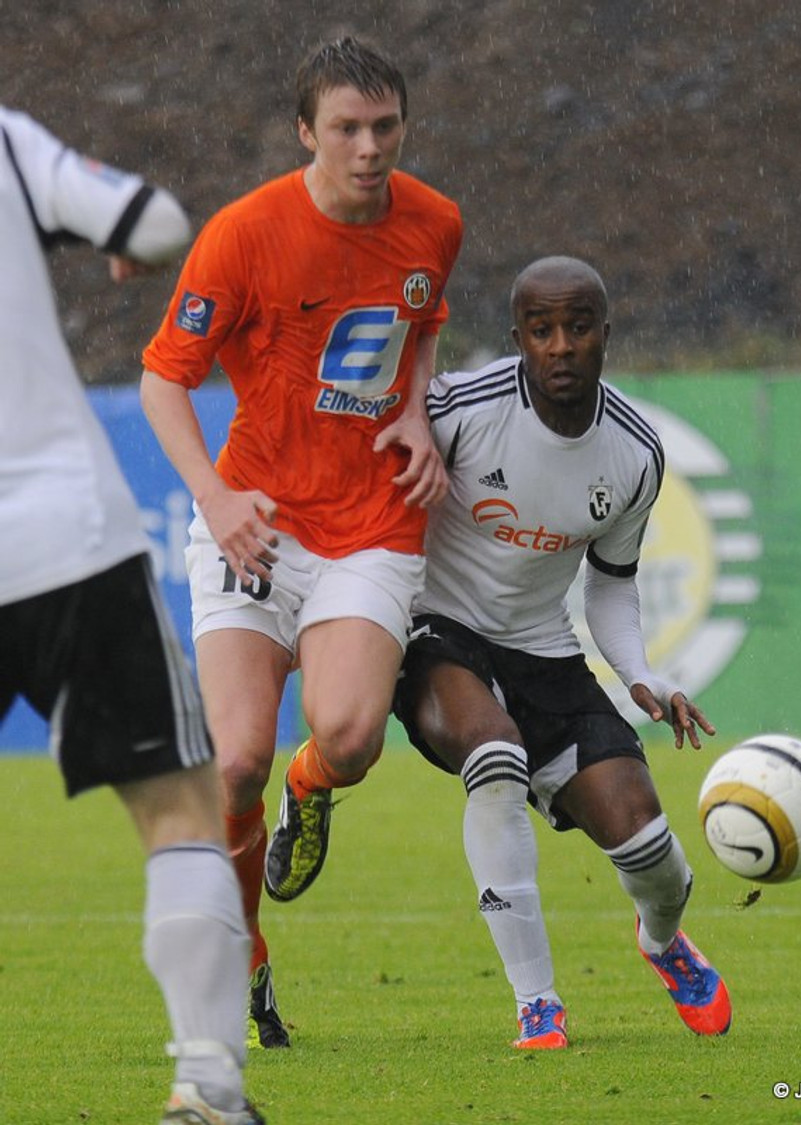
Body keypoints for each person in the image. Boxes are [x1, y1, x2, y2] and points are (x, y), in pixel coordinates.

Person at [140, 35, 463, 1048]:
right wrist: (215, 496)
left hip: (372, 522)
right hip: (258, 526)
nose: (369, 148)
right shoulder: (245, 234)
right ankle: (247, 954)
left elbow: (424, 321)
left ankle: (310, 787)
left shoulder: (436, 221)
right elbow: (163, 379)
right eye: (346, 129)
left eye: (385, 127)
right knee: (236, 760)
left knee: (352, 738)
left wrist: (415, 409)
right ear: (305, 133)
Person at [393, 256, 732, 1049]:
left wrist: (641, 673)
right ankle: (537, 1001)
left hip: (542, 650)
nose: (561, 346)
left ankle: (662, 942)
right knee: (495, 759)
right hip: (437, 629)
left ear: (605, 334)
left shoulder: (635, 454)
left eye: (578, 328)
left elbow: (611, 584)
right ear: (517, 339)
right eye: (541, 330)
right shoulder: (460, 410)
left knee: (653, 852)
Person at [0, 108, 263, 1124]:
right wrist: (115, 241)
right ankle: (208, 1085)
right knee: (178, 812)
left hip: (64, 532)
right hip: (64, 532)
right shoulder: (9, 143)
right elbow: (155, 225)